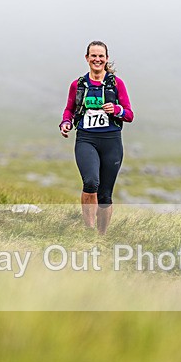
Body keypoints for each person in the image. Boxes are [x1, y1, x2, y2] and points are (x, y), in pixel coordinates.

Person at [59, 40, 134, 235]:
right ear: (87, 58)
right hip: (86, 139)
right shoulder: (78, 84)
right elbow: (69, 109)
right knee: (91, 182)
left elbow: (129, 114)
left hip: (111, 141)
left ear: (106, 59)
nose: (97, 59)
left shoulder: (116, 84)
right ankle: (89, 232)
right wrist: (65, 123)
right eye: (93, 56)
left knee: (105, 195)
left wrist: (116, 109)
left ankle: (102, 236)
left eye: (101, 56)